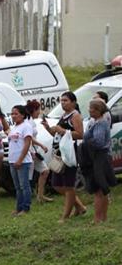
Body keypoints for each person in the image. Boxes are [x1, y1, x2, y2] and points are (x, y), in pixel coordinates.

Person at [42, 91, 87, 222]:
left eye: (65, 100)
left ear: (73, 102)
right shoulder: (64, 115)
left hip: (70, 152)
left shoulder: (75, 115)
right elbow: (57, 135)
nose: (62, 103)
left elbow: (80, 134)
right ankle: (80, 207)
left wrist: (63, 131)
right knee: (57, 184)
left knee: (68, 185)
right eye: (61, 101)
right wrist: (48, 128)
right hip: (59, 152)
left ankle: (65, 216)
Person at [80, 98, 116, 224]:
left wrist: (86, 143)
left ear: (98, 110)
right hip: (100, 157)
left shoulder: (100, 123)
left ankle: (97, 218)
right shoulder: (97, 122)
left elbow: (99, 141)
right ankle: (103, 217)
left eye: (91, 108)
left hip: (99, 157)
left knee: (98, 189)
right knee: (101, 189)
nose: (89, 110)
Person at [7, 105, 35, 216]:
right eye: (12, 114)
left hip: (22, 161)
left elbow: (27, 143)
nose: (13, 116)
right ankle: (19, 207)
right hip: (12, 160)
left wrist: (20, 159)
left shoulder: (26, 126)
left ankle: (26, 207)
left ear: (23, 115)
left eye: (16, 114)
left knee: (24, 185)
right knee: (17, 187)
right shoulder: (14, 127)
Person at [25, 100, 54, 204]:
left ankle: (40, 195)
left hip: (34, 150)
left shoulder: (31, 121)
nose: (39, 112)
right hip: (29, 151)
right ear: (33, 110)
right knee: (28, 176)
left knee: (45, 171)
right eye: (38, 110)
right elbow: (30, 137)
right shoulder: (28, 122)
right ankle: (27, 198)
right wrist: (41, 145)